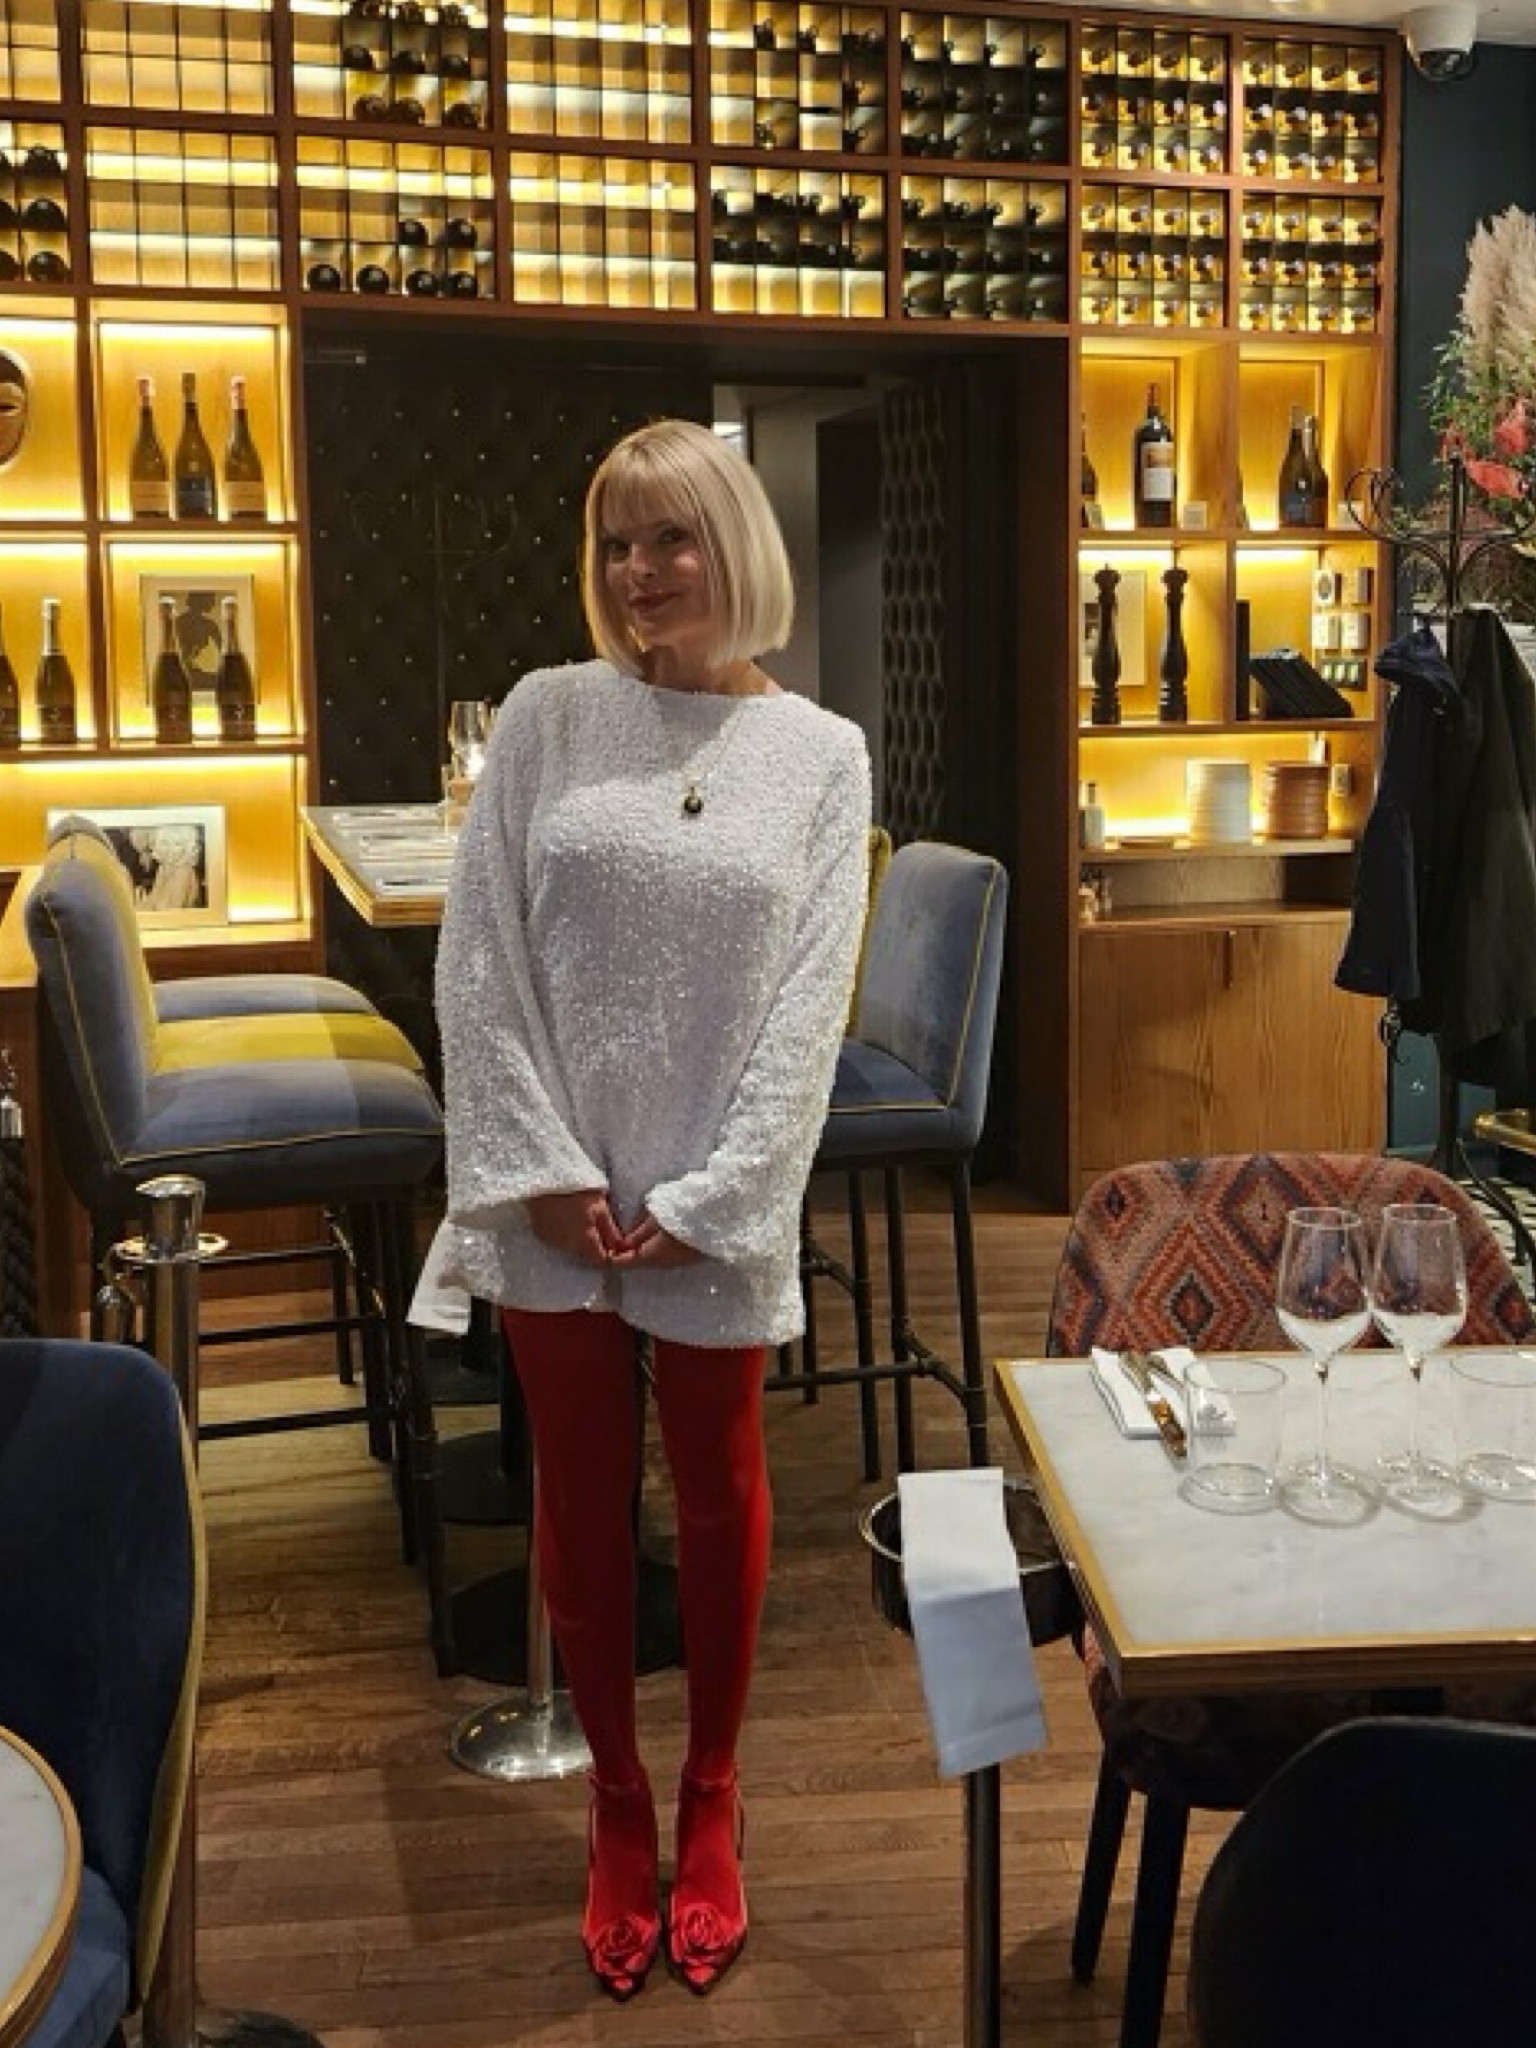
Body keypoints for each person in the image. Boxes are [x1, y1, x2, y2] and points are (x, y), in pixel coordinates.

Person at [433, 417, 871, 1999]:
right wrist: (537, 1168)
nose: (639, 572)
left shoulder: (822, 756)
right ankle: (618, 1799)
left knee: (723, 1488)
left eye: (670, 538)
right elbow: (478, 958)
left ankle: (713, 1794)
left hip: (712, 1201)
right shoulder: (547, 717)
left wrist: (720, 1194)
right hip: (548, 1190)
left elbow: (810, 1005)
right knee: (578, 1494)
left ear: (734, 544)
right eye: (616, 543)